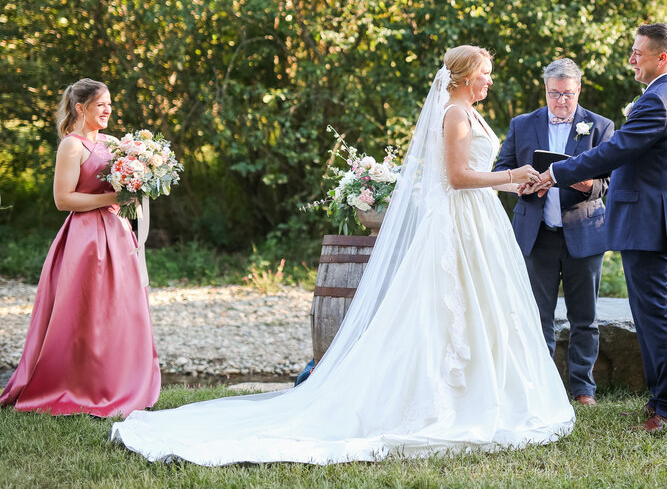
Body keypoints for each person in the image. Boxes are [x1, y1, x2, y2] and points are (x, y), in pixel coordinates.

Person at [110, 46, 575, 465]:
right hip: (456, 225)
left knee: (482, 310)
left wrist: (517, 182)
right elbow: (456, 178)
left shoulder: (468, 112)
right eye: (485, 73)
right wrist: (509, 174)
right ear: (463, 76)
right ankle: (438, 399)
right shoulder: (454, 114)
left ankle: (485, 390)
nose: (490, 81)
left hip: (477, 223)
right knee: (443, 311)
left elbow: (472, 173)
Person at [530, 23, 667, 432]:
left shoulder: (658, 100)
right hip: (647, 221)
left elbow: (616, 150)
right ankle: (659, 402)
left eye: (638, 52)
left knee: (656, 316)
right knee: (650, 313)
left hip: (648, 221)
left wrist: (556, 172)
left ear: (662, 56)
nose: (631, 59)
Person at [0, 79, 161, 417]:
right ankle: (77, 383)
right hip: (85, 240)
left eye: (110, 104)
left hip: (118, 234)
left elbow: (126, 183)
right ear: (81, 107)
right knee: (84, 313)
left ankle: (121, 380)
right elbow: (63, 199)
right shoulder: (71, 147)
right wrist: (114, 198)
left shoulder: (115, 143)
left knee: (121, 309)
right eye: (101, 104)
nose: (108, 110)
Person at [493, 58, 614, 405]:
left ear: (579, 90)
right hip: (536, 234)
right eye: (554, 94)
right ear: (544, 91)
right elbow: (501, 171)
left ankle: (583, 389)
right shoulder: (522, 124)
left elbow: (607, 184)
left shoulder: (600, 127)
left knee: (584, 318)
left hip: (584, 232)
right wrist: (522, 184)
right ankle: (539, 388)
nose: (561, 101)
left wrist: (569, 178)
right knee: (535, 316)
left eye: (568, 94)